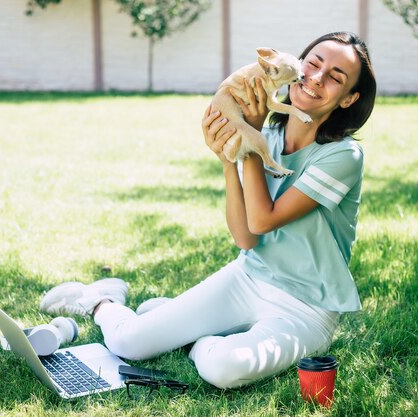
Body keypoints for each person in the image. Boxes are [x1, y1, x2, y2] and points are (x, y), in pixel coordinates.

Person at [39, 31, 377, 389]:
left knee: (224, 369)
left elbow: (262, 220)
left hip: (305, 309)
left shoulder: (343, 156)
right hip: (249, 278)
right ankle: (101, 299)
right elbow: (246, 239)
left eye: (335, 77)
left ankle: (195, 336)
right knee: (128, 342)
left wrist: (248, 133)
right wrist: (230, 157)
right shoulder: (272, 140)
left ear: (348, 99)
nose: (317, 78)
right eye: (313, 64)